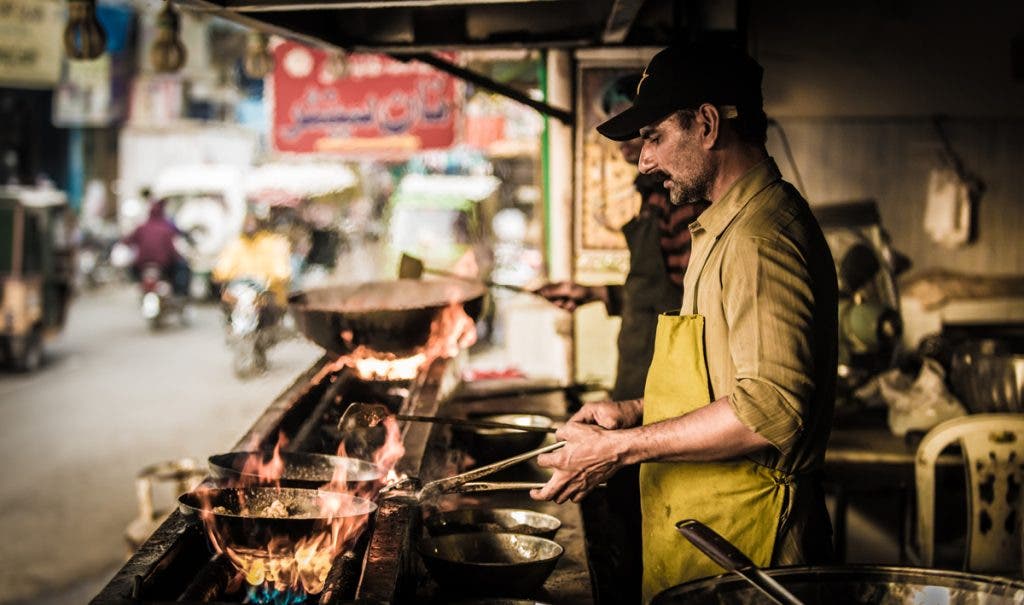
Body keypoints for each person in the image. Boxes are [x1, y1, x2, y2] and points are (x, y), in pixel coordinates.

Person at [530, 43, 838, 603]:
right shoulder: (722, 228)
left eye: (653, 136)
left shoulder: (759, 239)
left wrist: (618, 450)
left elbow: (770, 411)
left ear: (707, 124)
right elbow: (729, 384)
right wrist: (632, 414)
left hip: (755, 551)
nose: (644, 160)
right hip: (715, 539)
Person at [536, 73, 708, 603]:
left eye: (648, 138)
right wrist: (592, 294)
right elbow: (649, 287)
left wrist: (633, 426)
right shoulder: (656, 201)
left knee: (637, 512)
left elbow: (684, 298)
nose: (637, 156)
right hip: (639, 372)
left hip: (663, 372)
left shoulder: (681, 204)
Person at [212, 212, 293, 307]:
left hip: (267, 295)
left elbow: (281, 271)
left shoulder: (274, 243)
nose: (249, 223)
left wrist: (268, 281)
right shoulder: (235, 243)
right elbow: (222, 270)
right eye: (246, 220)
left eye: (252, 219)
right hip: (240, 292)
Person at [123, 192, 192, 297]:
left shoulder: (142, 227)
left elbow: (127, 241)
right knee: (183, 269)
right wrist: (178, 257)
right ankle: (180, 296)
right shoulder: (167, 228)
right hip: (163, 265)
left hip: (142, 264)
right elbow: (172, 249)